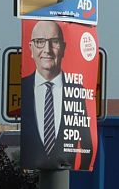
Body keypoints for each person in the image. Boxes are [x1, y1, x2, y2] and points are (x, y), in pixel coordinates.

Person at [21, 21, 93, 170]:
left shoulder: (77, 91)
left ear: (64, 48)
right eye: (40, 42)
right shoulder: (24, 88)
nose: (47, 50)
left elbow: (87, 145)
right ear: (31, 48)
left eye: (54, 42)